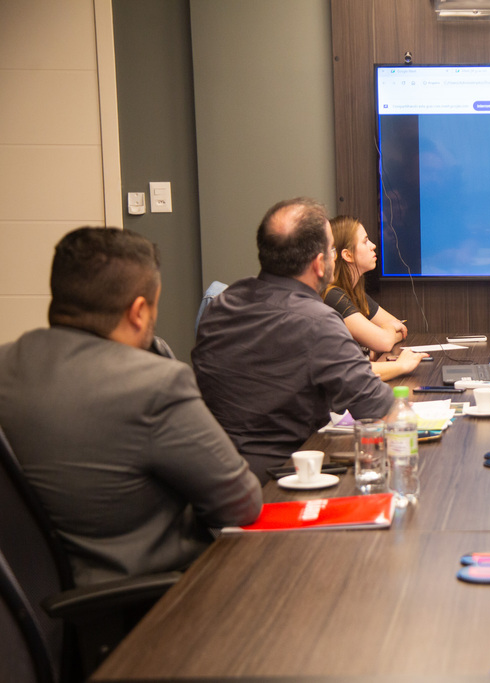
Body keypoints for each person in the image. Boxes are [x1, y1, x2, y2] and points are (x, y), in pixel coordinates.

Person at [0, 227, 262, 586]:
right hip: (155, 601)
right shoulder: (156, 383)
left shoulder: (5, 364)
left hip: (41, 603)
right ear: (139, 311)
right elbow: (241, 504)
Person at [192, 198, 395, 483]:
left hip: (209, 478)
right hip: (284, 480)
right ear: (319, 264)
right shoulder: (318, 322)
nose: (335, 257)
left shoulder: (220, 305)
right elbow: (379, 411)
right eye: (332, 250)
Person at [324, 215, 425, 381]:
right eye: (365, 241)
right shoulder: (332, 295)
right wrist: (375, 341)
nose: (373, 246)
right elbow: (384, 342)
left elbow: (400, 328)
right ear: (347, 255)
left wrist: (373, 342)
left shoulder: (355, 292)